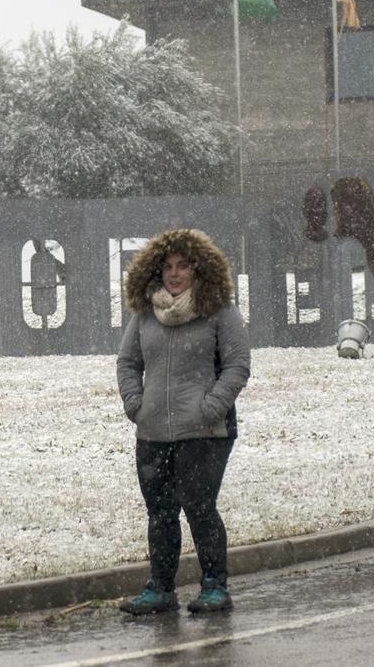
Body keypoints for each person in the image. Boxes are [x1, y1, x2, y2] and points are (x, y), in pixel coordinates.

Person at [116, 228, 251, 615]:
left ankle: (214, 585)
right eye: (167, 267)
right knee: (159, 512)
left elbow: (238, 365)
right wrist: (135, 404)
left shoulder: (219, 310)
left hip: (206, 431)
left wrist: (211, 406)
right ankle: (160, 588)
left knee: (199, 506)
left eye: (183, 266)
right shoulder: (145, 313)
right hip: (153, 430)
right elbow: (128, 362)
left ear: (198, 268)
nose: (175, 274)